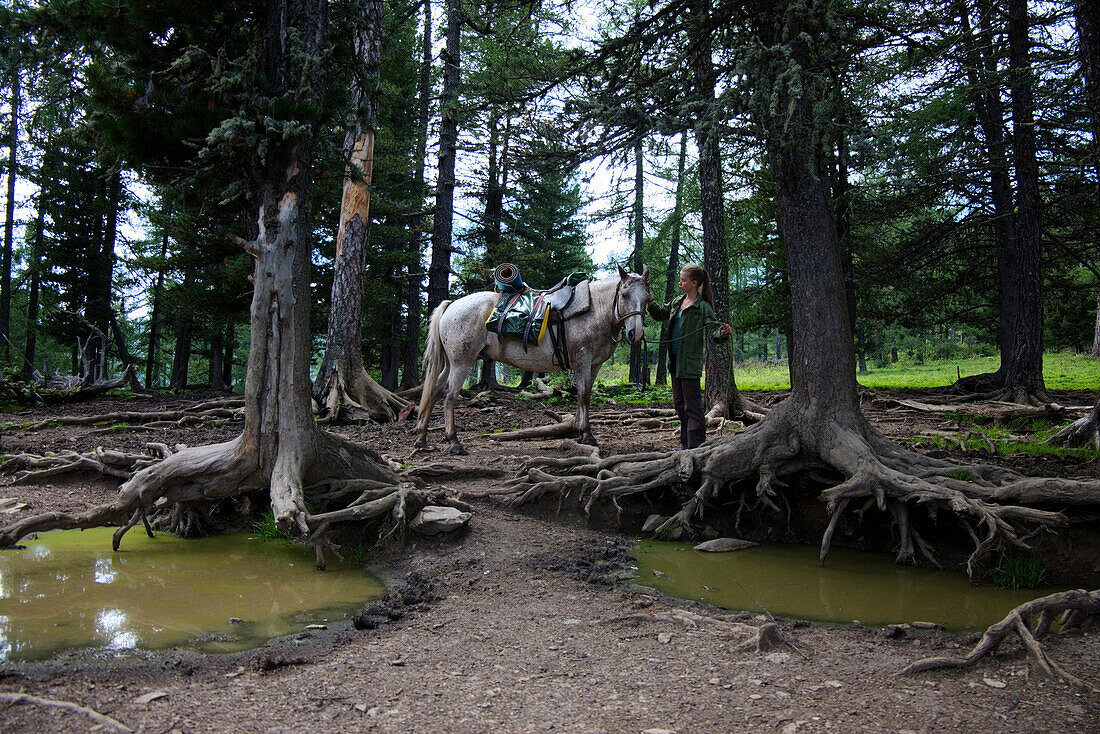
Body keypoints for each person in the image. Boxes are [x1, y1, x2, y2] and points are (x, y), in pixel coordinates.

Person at [647, 264, 732, 449]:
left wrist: (723, 333)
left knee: (693, 408)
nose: (680, 283)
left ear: (694, 283)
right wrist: (650, 302)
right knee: (679, 404)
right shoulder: (678, 302)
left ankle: (696, 447)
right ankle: (685, 445)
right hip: (675, 362)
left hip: (690, 364)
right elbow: (660, 314)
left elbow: (713, 330)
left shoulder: (702, 307)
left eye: (683, 280)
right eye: (680, 279)